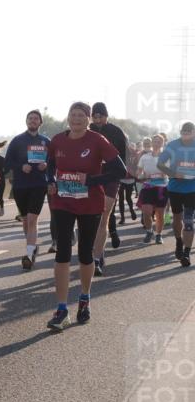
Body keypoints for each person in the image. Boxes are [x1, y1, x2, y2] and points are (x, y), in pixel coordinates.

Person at [45, 102, 126, 332]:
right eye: (73, 115)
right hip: (63, 201)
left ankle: (84, 297)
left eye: (81, 115)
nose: (77, 119)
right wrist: (50, 181)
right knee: (62, 250)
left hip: (90, 202)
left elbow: (119, 170)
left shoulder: (97, 140)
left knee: (84, 253)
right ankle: (61, 309)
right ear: (68, 117)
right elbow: (50, 164)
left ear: (88, 119)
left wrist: (91, 180)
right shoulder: (58, 140)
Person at [5, 110, 51, 270]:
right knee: (25, 221)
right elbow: (8, 162)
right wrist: (20, 166)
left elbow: (55, 161)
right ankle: (32, 246)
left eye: (36, 119)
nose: (32, 121)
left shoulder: (46, 141)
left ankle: (29, 253)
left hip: (39, 185)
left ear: (40, 123)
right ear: (26, 121)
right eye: (30, 118)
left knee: (32, 219)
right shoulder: (18, 141)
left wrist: (47, 165)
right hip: (21, 185)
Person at [89, 102, 128, 274]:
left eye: (100, 116)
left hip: (111, 178)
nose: (97, 120)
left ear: (106, 116)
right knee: (91, 217)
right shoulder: (86, 131)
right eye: (95, 116)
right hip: (92, 178)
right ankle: (97, 250)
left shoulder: (116, 132)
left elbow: (123, 160)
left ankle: (96, 258)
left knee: (104, 214)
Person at [158, 121, 195, 267]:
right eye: (183, 132)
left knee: (188, 219)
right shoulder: (172, 145)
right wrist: (173, 174)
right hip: (175, 188)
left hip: (192, 188)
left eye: (189, 131)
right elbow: (160, 164)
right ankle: (179, 241)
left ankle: (186, 252)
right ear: (180, 132)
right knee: (177, 218)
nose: (185, 134)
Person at [136, 134, 169, 245]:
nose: (157, 143)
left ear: (163, 143)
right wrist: (142, 176)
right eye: (155, 141)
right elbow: (138, 172)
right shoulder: (145, 157)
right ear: (152, 143)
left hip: (162, 188)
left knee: (160, 214)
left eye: (159, 141)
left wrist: (164, 174)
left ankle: (158, 235)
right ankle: (149, 231)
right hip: (148, 187)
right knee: (146, 212)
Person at [119, 142, 140, 224]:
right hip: (121, 178)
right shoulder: (119, 151)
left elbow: (137, 164)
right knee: (120, 198)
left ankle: (131, 210)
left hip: (130, 178)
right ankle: (122, 218)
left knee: (128, 197)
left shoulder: (134, 152)